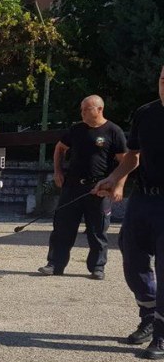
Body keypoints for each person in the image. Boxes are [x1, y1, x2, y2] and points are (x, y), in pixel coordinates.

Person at [93, 66, 164, 360]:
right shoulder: (145, 113)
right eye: (162, 79)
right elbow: (132, 156)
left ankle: (161, 334)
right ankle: (149, 314)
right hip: (144, 199)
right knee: (131, 254)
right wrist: (114, 178)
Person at [38, 95, 127, 279]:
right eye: (82, 109)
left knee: (97, 231)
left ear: (99, 109)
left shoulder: (113, 131)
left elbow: (124, 162)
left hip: (98, 188)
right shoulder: (76, 130)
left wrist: (117, 186)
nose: (83, 112)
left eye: (86, 109)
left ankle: (97, 267)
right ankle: (54, 264)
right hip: (72, 187)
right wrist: (58, 171)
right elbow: (59, 149)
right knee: (62, 228)